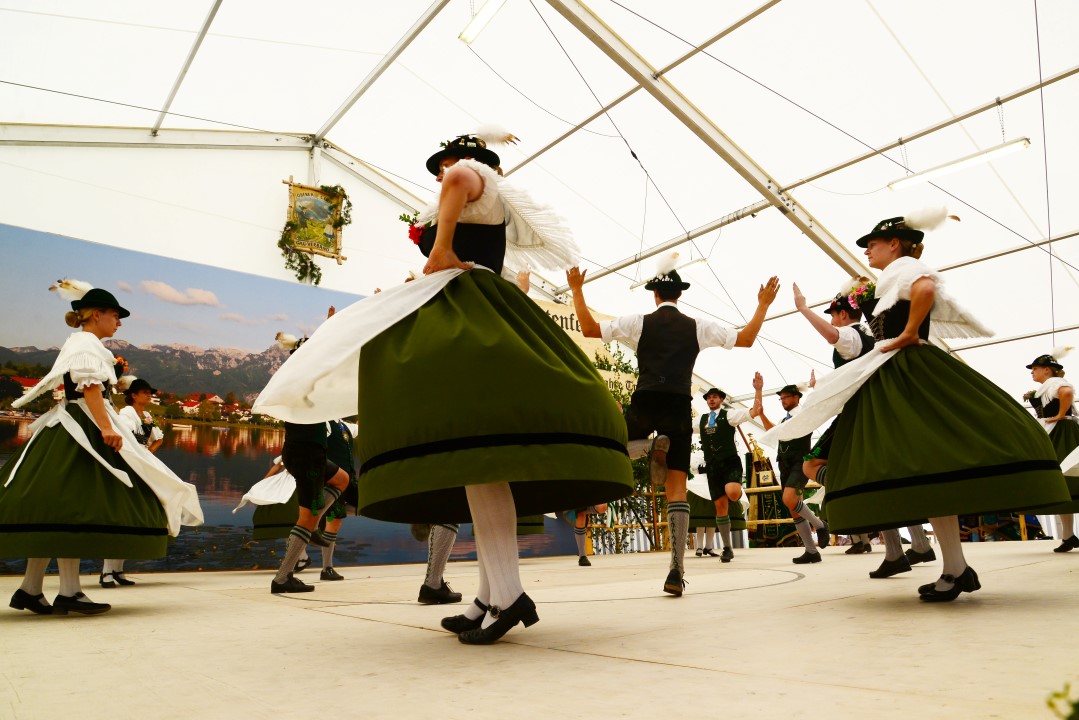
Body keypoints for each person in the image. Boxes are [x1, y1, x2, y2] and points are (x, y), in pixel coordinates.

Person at [254, 130, 633, 643]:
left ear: (468, 159)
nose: (440, 174)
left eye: (444, 163)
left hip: (467, 311)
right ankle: (491, 595)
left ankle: (507, 596)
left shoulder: (467, 175)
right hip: (475, 308)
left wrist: (442, 250)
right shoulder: (486, 192)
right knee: (479, 469)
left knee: (480, 464)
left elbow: (455, 182)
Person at [761, 209, 1069, 602]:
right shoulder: (891, 274)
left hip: (907, 373)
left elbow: (925, 287)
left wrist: (908, 332)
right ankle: (954, 567)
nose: (867, 251)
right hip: (898, 373)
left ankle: (951, 566)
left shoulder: (904, 266)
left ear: (894, 244)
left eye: (872, 244)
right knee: (927, 473)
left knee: (920, 466)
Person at [567, 253, 779, 596]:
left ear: (655, 294)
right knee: (676, 491)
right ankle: (676, 571)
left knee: (615, 447)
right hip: (679, 405)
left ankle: (650, 447)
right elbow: (746, 338)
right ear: (680, 294)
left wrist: (577, 289)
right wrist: (763, 305)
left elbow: (590, 329)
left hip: (646, 400)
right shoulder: (698, 326)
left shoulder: (639, 322)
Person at [1, 283, 202, 615]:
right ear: (97, 315)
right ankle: (67, 592)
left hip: (69, 425)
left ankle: (31, 589)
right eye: (115, 316)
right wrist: (107, 428)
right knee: (75, 507)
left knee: (59, 510)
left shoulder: (82, 343)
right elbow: (90, 388)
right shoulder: (85, 344)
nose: (119, 323)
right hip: (80, 427)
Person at [793, 281, 935, 577]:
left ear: (843, 314)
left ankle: (856, 494)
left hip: (859, 413)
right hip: (881, 410)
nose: (833, 320)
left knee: (814, 465)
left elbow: (833, 335)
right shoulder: (871, 333)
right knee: (886, 479)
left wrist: (803, 309)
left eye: (834, 314)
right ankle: (919, 545)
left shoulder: (850, 334)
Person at [99, 375, 167, 587]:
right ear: (133, 395)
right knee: (121, 515)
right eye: (145, 392)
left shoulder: (146, 415)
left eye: (149, 393)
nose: (149, 395)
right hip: (127, 463)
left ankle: (118, 570)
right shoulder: (126, 413)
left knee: (131, 516)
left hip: (141, 463)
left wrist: (147, 452)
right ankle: (106, 571)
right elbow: (123, 437)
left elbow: (159, 438)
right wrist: (136, 453)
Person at [759, 381, 829, 563]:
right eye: (781, 398)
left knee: (789, 499)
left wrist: (815, 387)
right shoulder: (784, 420)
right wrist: (761, 414)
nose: (783, 400)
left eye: (786, 397)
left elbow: (817, 404)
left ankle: (820, 525)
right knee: (794, 508)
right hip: (784, 464)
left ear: (796, 397)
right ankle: (811, 551)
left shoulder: (803, 413)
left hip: (799, 462)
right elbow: (774, 431)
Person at [696, 384, 762, 563]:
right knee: (720, 507)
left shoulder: (730, 415)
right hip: (712, 466)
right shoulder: (701, 420)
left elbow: (754, 411)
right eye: (709, 397)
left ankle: (736, 492)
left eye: (715, 397)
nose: (711, 399)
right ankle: (727, 548)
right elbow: (683, 428)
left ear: (721, 400)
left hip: (729, 462)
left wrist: (758, 390)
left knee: (732, 493)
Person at [1025, 350, 1079, 552]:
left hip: (1061, 433)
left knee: (1063, 479)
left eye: (1035, 369)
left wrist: (1060, 415)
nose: (1032, 372)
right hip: (1055, 432)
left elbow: (1067, 392)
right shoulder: (1048, 385)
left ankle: (1068, 535)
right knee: (1063, 485)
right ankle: (1068, 535)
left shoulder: (1054, 382)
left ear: (1047, 370)